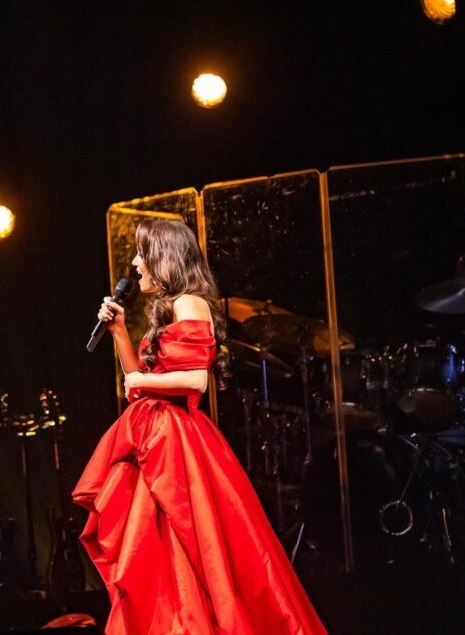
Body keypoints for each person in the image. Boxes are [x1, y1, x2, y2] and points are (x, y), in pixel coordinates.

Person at [72, 220, 327, 635]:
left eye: (142, 254)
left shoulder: (190, 302)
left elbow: (194, 381)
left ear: (164, 258)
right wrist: (120, 333)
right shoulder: (171, 307)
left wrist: (140, 382)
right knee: (156, 550)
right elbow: (139, 376)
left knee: (186, 545)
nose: (135, 264)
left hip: (174, 439)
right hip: (152, 432)